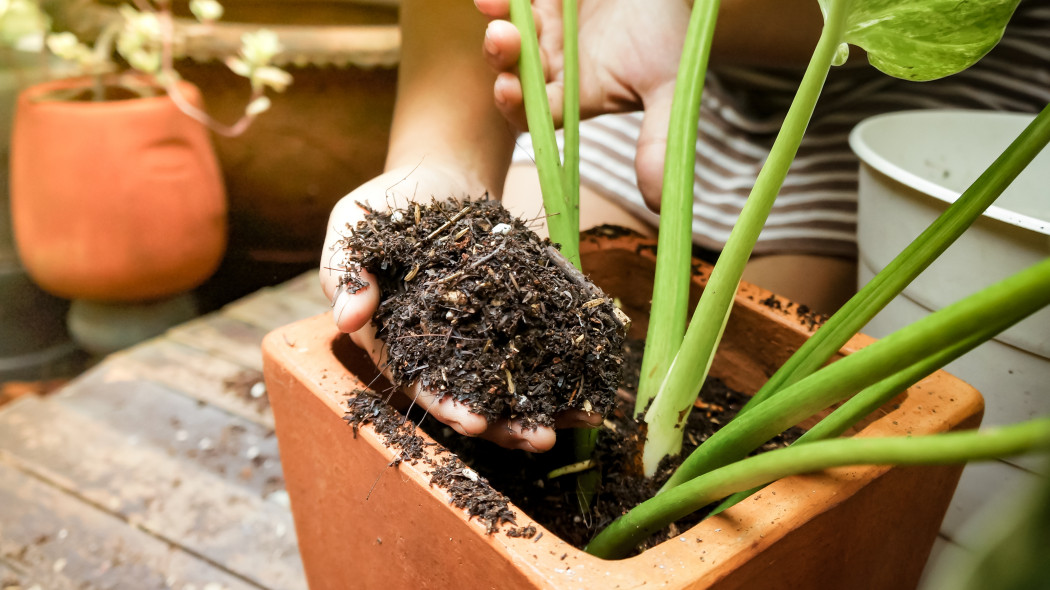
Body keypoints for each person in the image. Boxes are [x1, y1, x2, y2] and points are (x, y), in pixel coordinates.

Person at [320, 0, 1050, 451]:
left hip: (908, 104)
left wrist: (698, 9)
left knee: (761, 379)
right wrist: (437, 157)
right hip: (613, 46)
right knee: (484, 333)